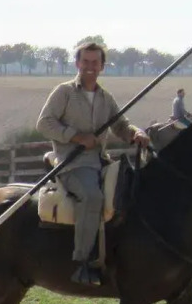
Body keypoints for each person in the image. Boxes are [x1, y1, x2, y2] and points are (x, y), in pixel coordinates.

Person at [36, 41, 151, 286]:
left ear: (102, 66)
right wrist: (77, 137)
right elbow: (44, 123)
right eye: (85, 62)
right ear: (77, 63)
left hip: (101, 162)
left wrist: (136, 133)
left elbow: (121, 125)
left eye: (95, 62)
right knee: (92, 196)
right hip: (72, 163)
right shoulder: (63, 92)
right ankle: (83, 263)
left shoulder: (105, 98)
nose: (90, 67)